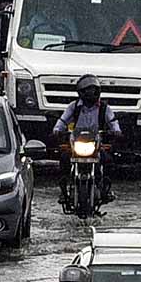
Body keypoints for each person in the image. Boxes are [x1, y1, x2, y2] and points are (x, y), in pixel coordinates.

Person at [53, 74, 122, 205]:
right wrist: (57, 129)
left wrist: (116, 131)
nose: (91, 94)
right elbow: (63, 120)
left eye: (93, 91)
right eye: (88, 91)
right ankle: (63, 192)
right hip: (76, 144)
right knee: (63, 159)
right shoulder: (73, 107)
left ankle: (106, 190)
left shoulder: (104, 108)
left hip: (96, 144)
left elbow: (113, 122)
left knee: (108, 161)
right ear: (81, 93)